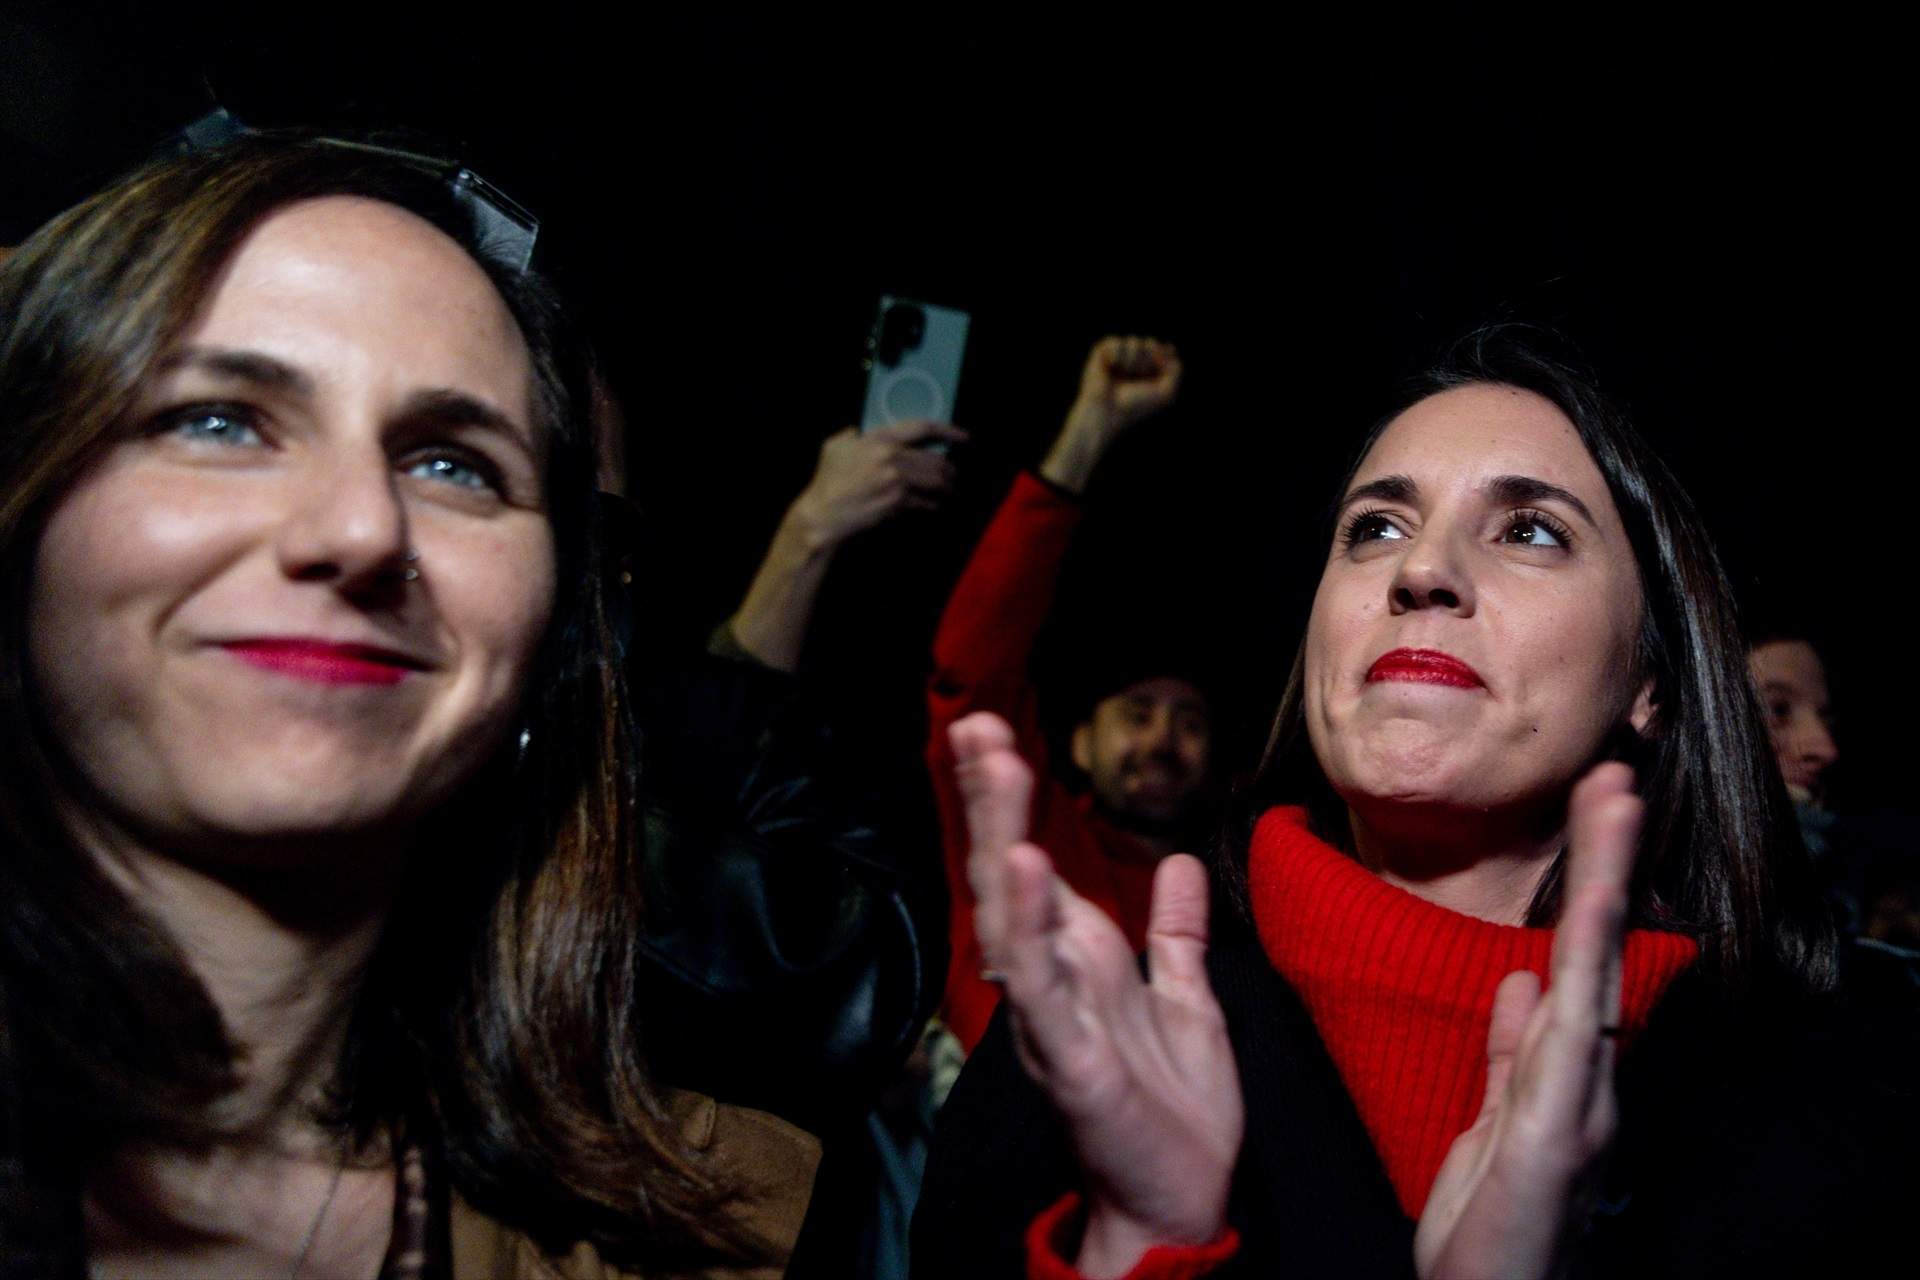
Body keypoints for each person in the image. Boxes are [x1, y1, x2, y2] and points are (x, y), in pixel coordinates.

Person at [914, 327, 1919, 1278]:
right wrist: (1145, 1246)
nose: (1422, 569)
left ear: (1649, 683)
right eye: (1376, 526)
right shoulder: (1092, 1057)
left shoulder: (1854, 1083)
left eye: (1530, 529)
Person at [0, 136, 818, 1278]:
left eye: (454, 465)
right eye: (220, 420)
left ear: (552, 639)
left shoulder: (739, 1234)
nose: (361, 530)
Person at [928, 336, 1214, 1052]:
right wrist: (1089, 431)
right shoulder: (1024, 836)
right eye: (1137, 714)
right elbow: (972, 674)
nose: (1160, 741)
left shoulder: (1241, 906)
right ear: (1081, 743)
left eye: (1189, 721)